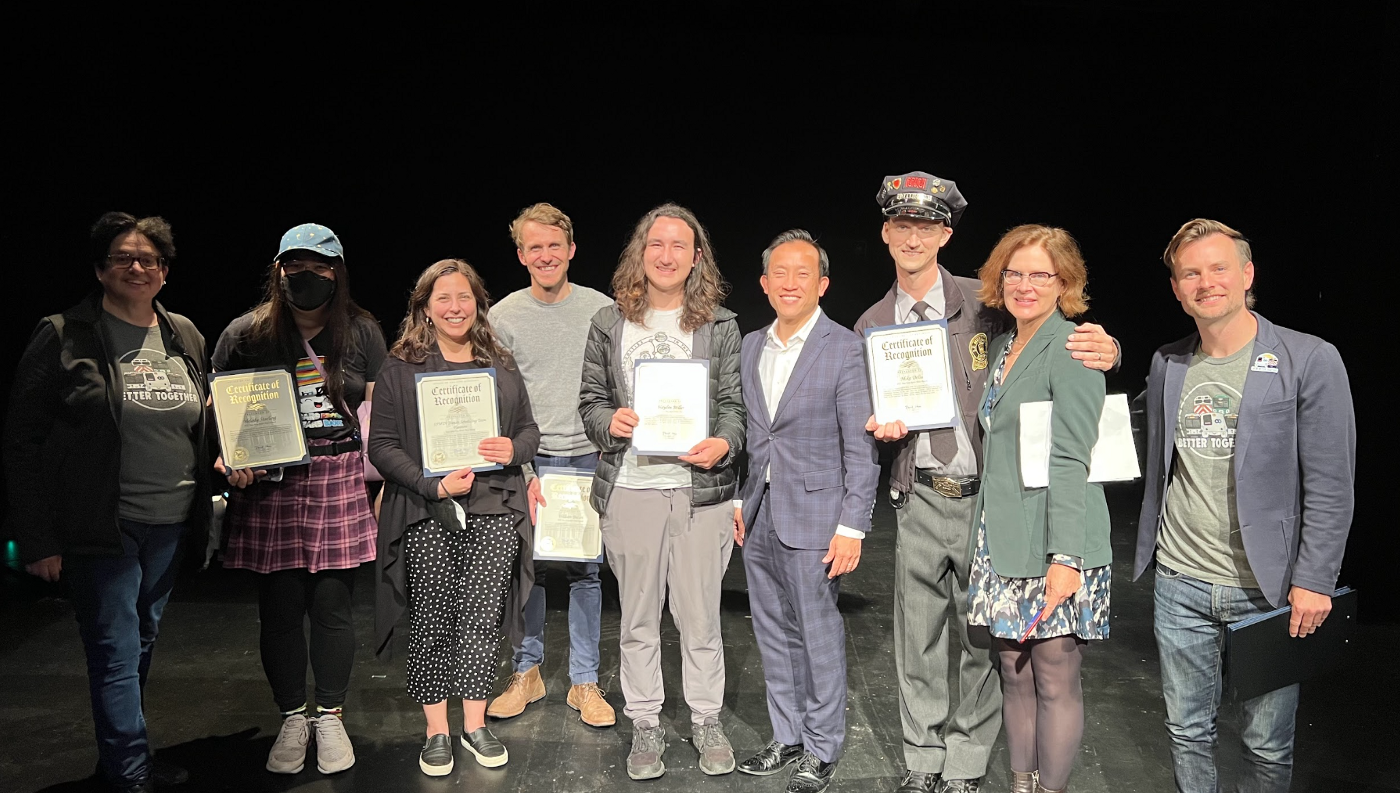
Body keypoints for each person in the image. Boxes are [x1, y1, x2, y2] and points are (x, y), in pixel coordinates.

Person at [854, 172, 1118, 793]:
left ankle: (967, 765)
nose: (914, 238)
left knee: (985, 644)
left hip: (988, 503)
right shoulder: (870, 324)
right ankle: (923, 760)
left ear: (946, 234)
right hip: (920, 495)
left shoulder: (988, 301)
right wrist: (877, 426)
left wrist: (1107, 346)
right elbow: (864, 409)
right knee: (917, 640)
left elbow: (1058, 341)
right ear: (886, 232)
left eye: (927, 226)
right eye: (902, 225)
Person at [1134, 219, 1355, 793]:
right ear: (1176, 289)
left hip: (1269, 590)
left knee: (1267, 745)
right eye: (1190, 273)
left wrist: (1315, 579)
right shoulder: (1168, 363)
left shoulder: (1309, 358)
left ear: (1247, 274)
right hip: (1180, 582)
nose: (1206, 282)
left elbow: (1332, 484)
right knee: (1187, 732)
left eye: (1218, 268)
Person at [4, 212, 211, 793]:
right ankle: (129, 772)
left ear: (165, 272)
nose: (137, 267)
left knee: (139, 641)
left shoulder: (185, 335)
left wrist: (229, 457)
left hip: (170, 521)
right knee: (115, 649)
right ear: (100, 269)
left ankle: (124, 756)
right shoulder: (64, 333)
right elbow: (22, 441)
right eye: (123, 257)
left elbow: (202, 422)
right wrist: (37, 538)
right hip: (101, 522)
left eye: (149, 259)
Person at [578, 203, 745, 781]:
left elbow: (734, 408)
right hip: (631, 490)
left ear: (696, 257)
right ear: (640, 252)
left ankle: (706, 719)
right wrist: (610, 422)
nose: (666, 255)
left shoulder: (719, 325)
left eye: (679, 245)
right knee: (638, 619)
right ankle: (646, 723)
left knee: (701, 620)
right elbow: (590, 402)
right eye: (656, 244)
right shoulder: (609, 322)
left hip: (699, 494)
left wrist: (723, 443)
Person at [212, 223, 385, 777]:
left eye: (318, 266)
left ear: (337, 272)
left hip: (339, 478)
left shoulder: (362, 333)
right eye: (294, 266)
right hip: (272, 485)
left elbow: (379, 416)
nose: (305, 276)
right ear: (278, 270)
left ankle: (329, 714)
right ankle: (292, 716)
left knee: (333, 606)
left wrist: (384, 484)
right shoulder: (246, 333)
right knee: (281, 609)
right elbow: (220, 411)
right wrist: (228, 457)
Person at [369, 259, 540, 777]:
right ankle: (436, 731)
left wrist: (513, 449)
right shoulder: (400, 367)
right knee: (432, 620)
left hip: (494, 507)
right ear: (425, 307)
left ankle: (475, 723)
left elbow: (529, 431)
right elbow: (382, 446)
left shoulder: (500, 363)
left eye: (464, 297)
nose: (455, 307)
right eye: (442, 298)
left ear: (478, 303)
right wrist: (432, 485)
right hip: (427, 510)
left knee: (482, 621)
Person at [733, 230, 880, 793]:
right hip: (760, 511)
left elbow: (859, 450)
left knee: (816, 634)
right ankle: (787, 735)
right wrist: (738, 498)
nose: (790, 283)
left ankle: (821, 747)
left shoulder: (844, 348)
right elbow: (754, 437)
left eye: (803, 274)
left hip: (818, 516)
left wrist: (852, 526)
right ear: (764, 283)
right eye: (780, 273)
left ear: (822, 284)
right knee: (772, 631)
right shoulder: (751, 345)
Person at [967, 225, 1110, 793]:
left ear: (1064, 283)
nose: (1025, 285)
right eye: (1015, 273)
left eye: (1040, 275)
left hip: (1055, 539)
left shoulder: (1072, 348)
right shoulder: (1004, 347)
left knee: (1053, 675)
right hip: (1005, 538)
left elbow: (1073, 458)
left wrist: (1065, 557)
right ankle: (1021, 785)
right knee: (1013, 670)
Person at [486, 203, 616, 727]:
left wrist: (608, 449)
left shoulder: (601, 309)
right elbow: (499, 400)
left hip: (588, 454)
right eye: (534, 247)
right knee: (529, 570)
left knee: (587, 571)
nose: (545, 256)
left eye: (554, 246)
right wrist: (523, 469)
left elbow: (617, 383)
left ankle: (584, 681)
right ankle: (528, 671)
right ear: (522, 255)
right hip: (531, 458)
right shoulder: (503, 317)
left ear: (571, 250)